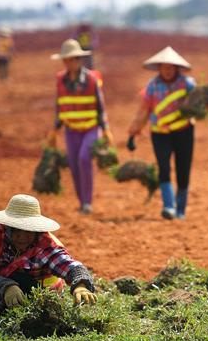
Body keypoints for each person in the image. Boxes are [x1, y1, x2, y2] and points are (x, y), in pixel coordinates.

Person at [0, 194, 97, 330]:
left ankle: (29, 326)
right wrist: (6, 287)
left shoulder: (46, 244)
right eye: (17, 230)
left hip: (37, 305)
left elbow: (70, 266)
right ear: (7, 227)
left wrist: (80, 284)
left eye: (28, 231)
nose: (22, 236)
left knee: (20, 279)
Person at [127, 46, 197, 220]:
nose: (167, 71)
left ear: (176, 68)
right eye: (164, 67)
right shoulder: (152, 86)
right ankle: (169, 206)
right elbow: (143, 110)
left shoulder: (187, 84)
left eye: (170, 67)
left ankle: (180, 210)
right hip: (160, 134)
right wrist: (133, 132)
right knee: (163, 167)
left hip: (184, 132)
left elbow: (198, 106)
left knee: (183, 169)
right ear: (159, 68)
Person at [48, 39, 113, 215]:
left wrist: (106, 130)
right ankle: (81, 201)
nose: (69, 63)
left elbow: (100, 107)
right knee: (74, 165)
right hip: (71, 130)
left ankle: (87, 202)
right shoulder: (60, 80)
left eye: (73, 59)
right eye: (66, 59)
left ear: (79, 60)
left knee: (84, 159)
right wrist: (54, 130)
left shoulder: (92, 80)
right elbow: (59, 105)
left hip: (91, 128)